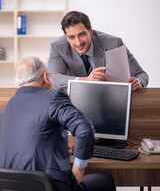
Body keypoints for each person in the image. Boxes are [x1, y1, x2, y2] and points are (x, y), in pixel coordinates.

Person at [0, 56, 116, 191]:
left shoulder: (8, 106)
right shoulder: (53, 96)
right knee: (105, 180)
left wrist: (56, 146)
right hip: (49, 186)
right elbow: (84, 129)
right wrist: (78, 172)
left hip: (10, 186)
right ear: (45, 77)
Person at [48, 11, 149, 91]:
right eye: (71, 37)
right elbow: (53, 78)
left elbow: (142, 75)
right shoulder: (57, 47)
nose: (78, 42)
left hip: (112, 98)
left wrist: (138, 82)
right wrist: (85, 80)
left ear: (90, 31)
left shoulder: (114, 43)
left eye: (82, 34)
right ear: (66, 37)